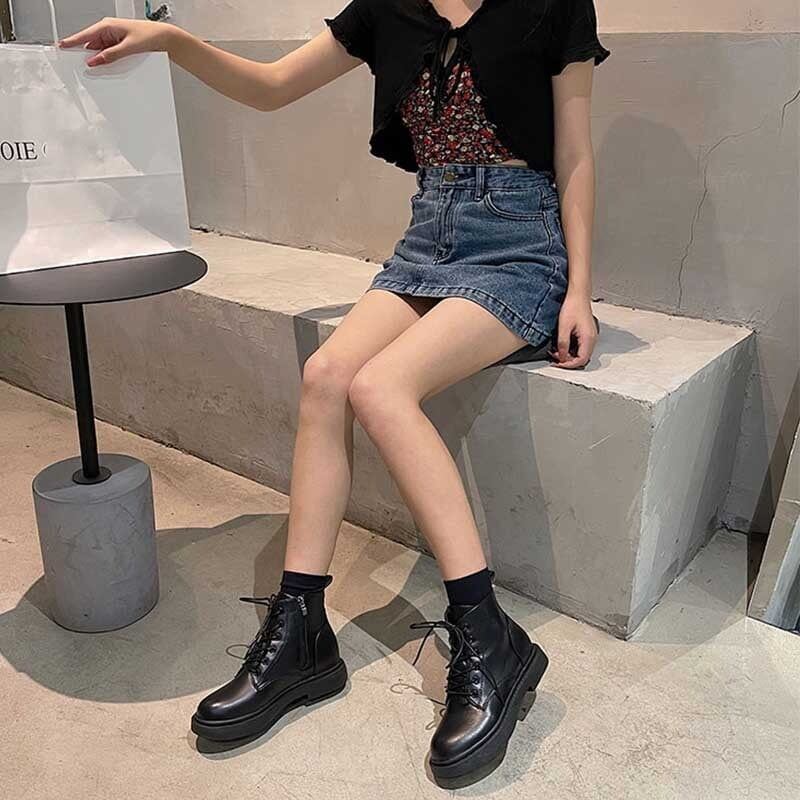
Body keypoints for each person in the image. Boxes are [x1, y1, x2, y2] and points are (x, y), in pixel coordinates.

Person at [62, 0, 610, 788]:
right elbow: (271, 86)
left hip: (521, 243)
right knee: (326, 377)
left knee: (382, 387)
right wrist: (172, 39)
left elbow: (576, 153)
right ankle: (303, 634)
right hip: (430, 238)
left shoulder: (551, 3)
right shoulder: (391, 8)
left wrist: (579, 289)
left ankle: (492, 639)